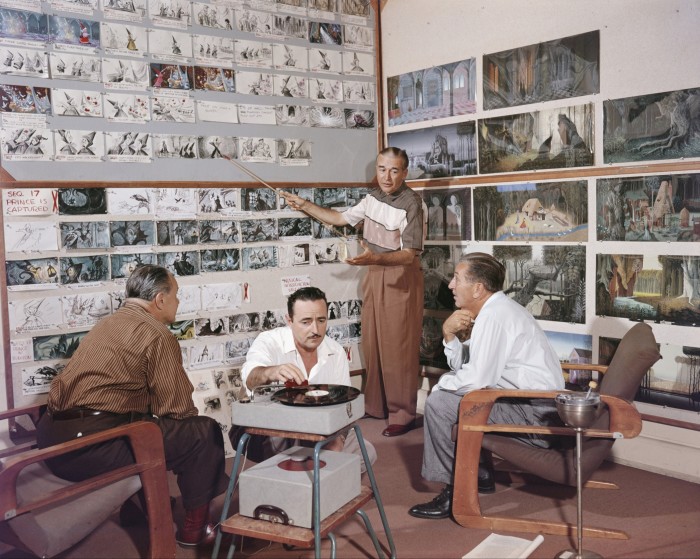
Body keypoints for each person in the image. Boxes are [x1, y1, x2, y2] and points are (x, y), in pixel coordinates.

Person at [36, 265, 229, 547]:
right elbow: (177, 409)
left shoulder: (107, 324)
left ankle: (138, 508)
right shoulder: (157, 334)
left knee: (141, 423)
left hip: (51, 440)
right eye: (176, 295)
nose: (178, 302)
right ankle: (195, 529)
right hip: (88, 450)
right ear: (160, 299)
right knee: (203, 432)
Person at [281, 147, 425, 437]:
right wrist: (304, 205)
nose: (386, 176)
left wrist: (375, 259)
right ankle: (377, 405)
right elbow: (340, 218)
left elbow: (410, 253)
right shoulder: (372, 199)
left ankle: (403, 412)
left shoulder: (412, 203)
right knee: (373, 341)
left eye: (394, 170)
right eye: (382, 169)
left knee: (398, 345)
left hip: (400, 275)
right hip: (374, 272)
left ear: (405, 173)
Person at [408, 252, 564, 520]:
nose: (450, 285)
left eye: (457, 279)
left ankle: (454, 491)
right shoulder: (496, 310)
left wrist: (440, 386)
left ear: (478, 288)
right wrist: (449, 334)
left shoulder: (494, 317)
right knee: (461, 397)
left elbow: (476, 378)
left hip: (537, 415)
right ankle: (480, 475)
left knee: (439, 403)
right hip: (531, 405)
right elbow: (467, 367)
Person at [234, 287, 377, 471]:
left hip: (320, 429)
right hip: (270, 429)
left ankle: (319, 487)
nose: (315, 330)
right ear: (289, 320)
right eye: (306, 322)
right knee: (297, 458)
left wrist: (338, 442)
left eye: (321, 320)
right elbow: (250, 379)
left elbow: (344, 407)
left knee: (367, 453)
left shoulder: (336, 352)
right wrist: (270, 372)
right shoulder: (268, 341)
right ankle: (305, 483)